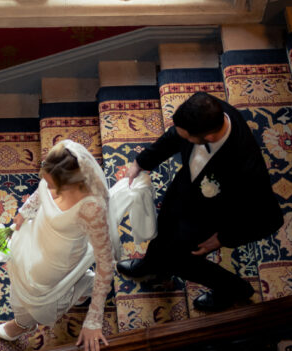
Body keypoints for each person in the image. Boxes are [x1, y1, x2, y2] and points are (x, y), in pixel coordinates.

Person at [117, 91, 283, 312]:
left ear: (210, 137)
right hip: (184, 189)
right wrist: (142, 161)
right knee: (164, 227)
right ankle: (153, 265)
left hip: (209, 217)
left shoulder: (246, 166)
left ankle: (233, 289)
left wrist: (224, 238)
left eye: (187, 137)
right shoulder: (207, 109)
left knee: (183, 262)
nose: (181, 137)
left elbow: (270, 218)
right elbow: (174, 136)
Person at [0, 139, 155, 351]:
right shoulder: (55, 176)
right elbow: (41, 193)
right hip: (39, 233)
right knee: (21, 272)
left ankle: (24, 323)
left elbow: (106, 262)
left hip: (61, 256)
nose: (48, 188)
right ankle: (80, 285)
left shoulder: (91, 208)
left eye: (53, 186)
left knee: (38, 291)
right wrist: (24, 211)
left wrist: (93, 319)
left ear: (72, 184)